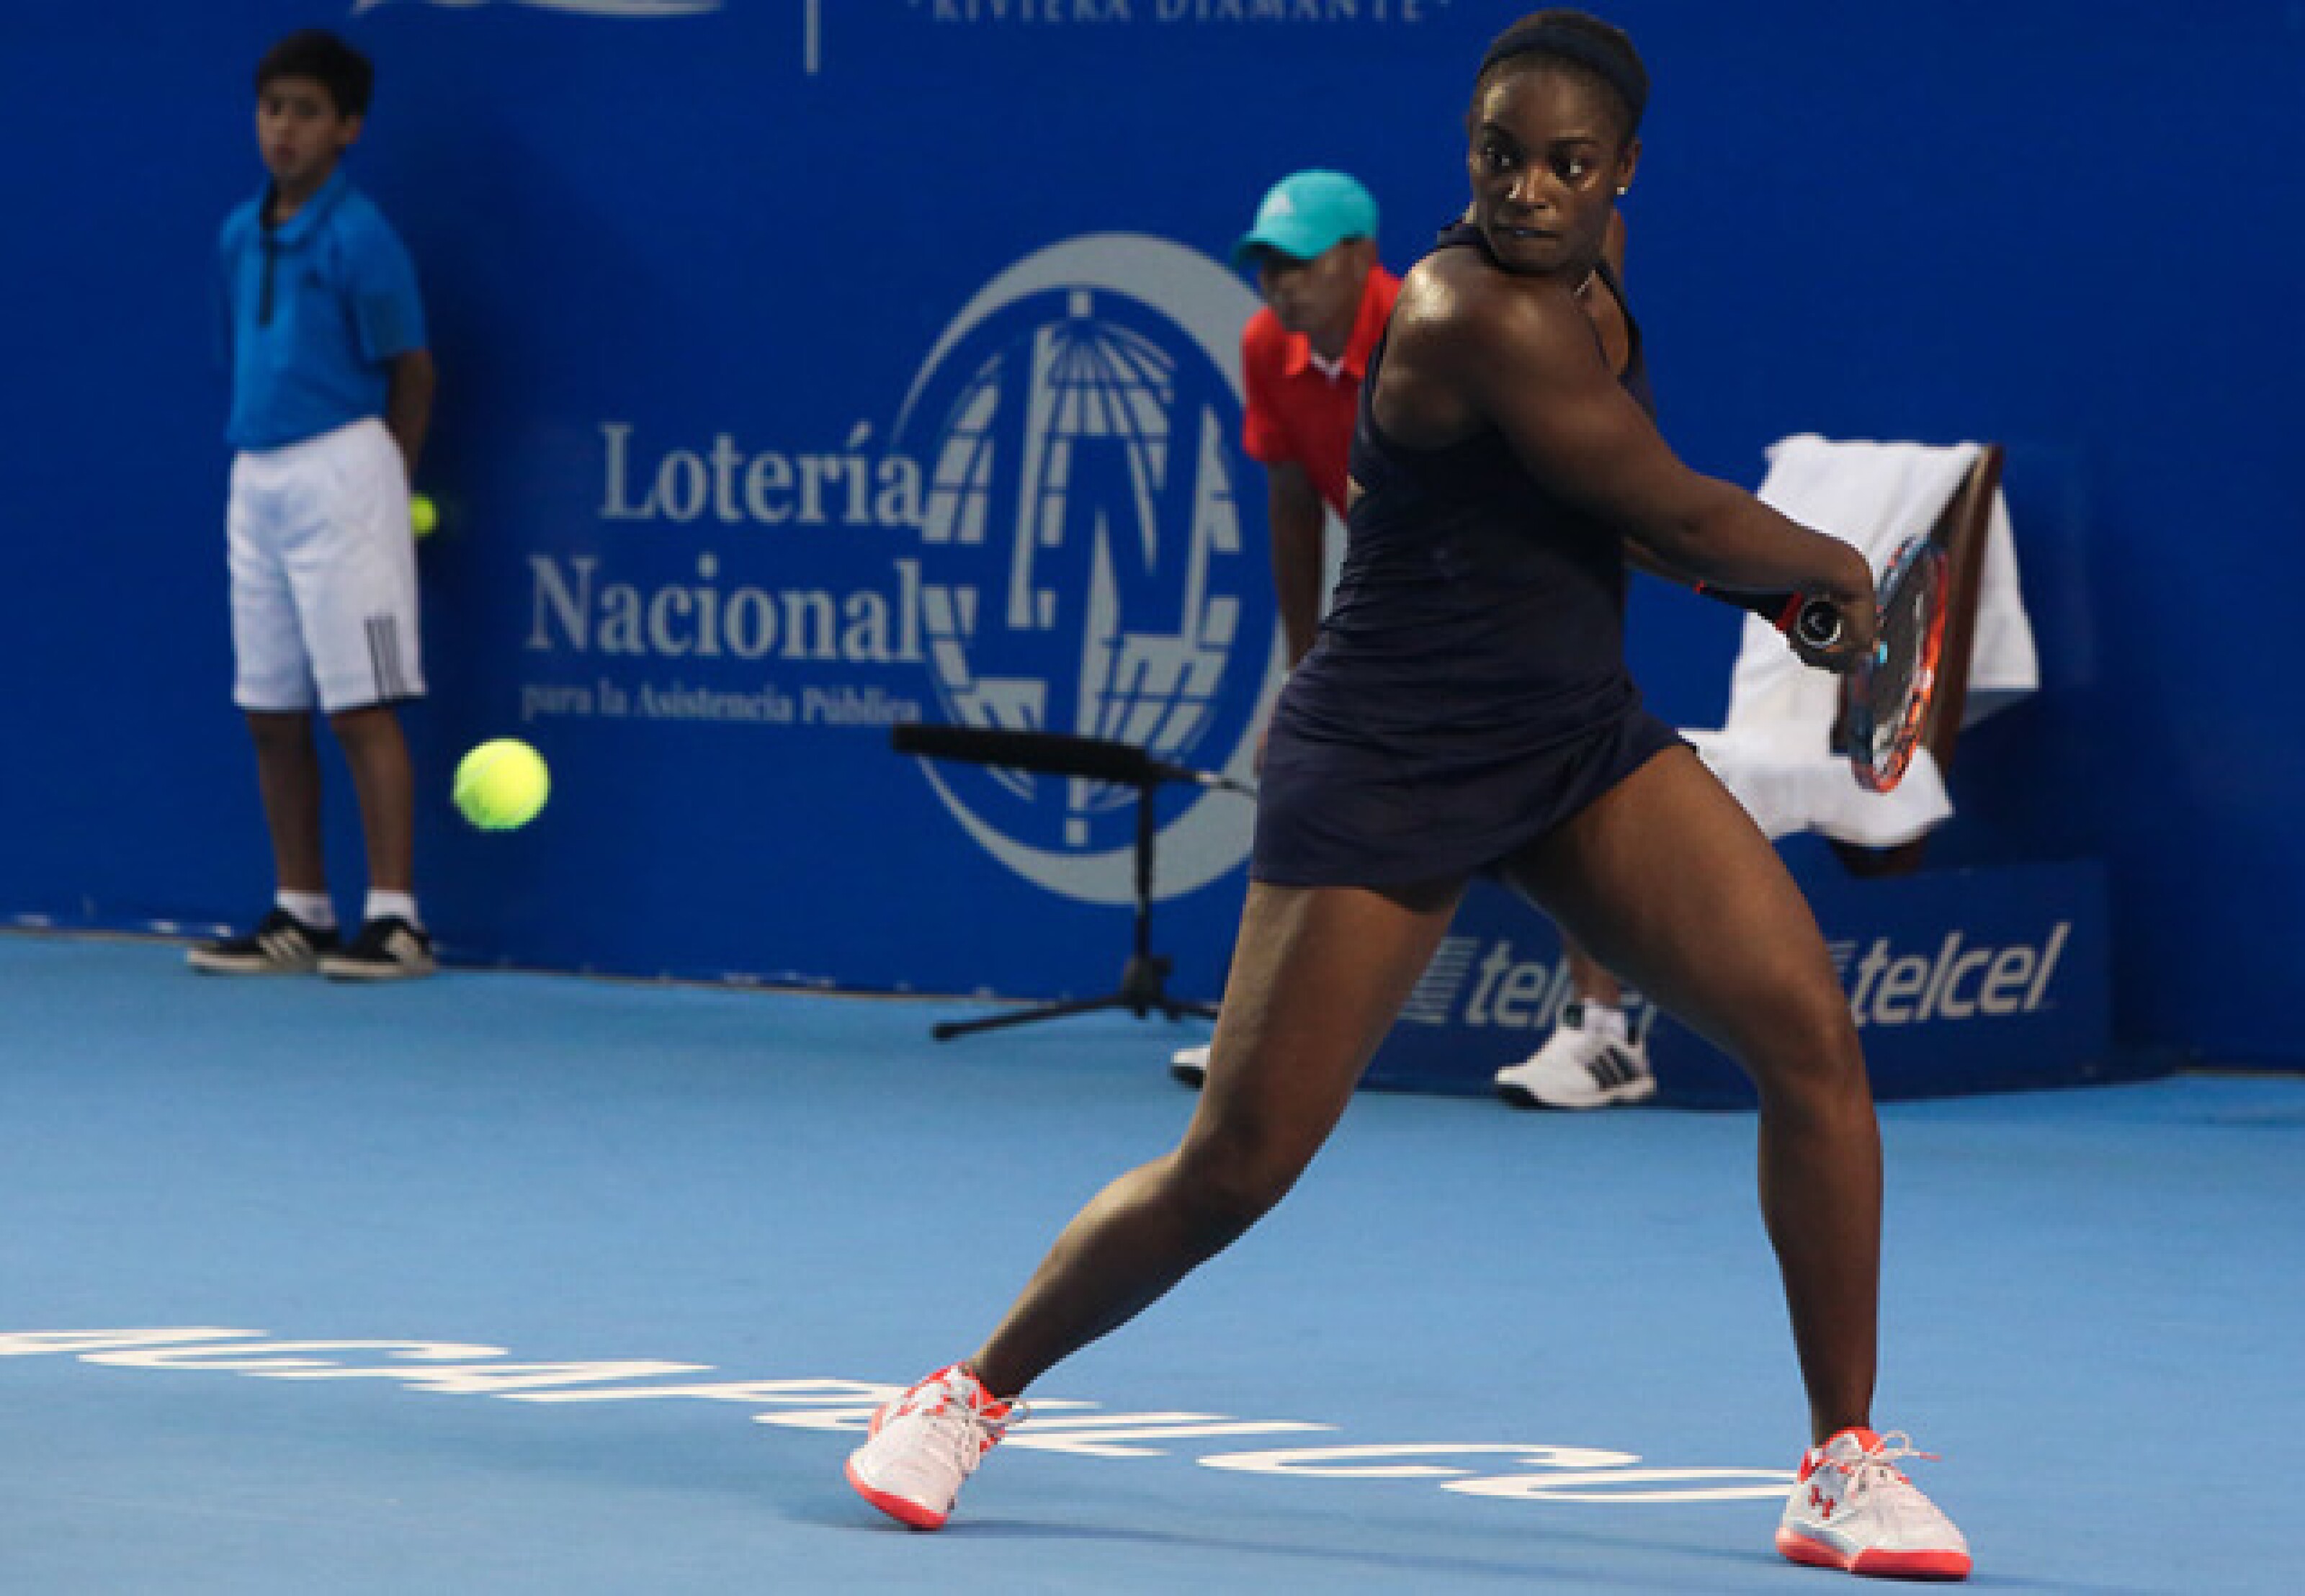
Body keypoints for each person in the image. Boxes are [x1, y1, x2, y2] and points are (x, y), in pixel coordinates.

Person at [847, 10, 1970, 1582]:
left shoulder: (1599, 273)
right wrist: (1833, 576)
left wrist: (1778, 606)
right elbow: (1668, 502)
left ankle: (1839, 1462)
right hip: (1386, 760)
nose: (1528, 190)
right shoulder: (1462, 310)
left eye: (1567, 165)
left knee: (1808, 1037)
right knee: (1235, 1163)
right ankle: (969, 1390)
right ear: (1467, 159)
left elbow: (1611, 510)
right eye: (1500, 156)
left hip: (1573, 742)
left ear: (1623, 171)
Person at [1172, 169, 1654, 1112]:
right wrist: (1301, 667)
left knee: (1562, 785)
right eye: (1267, 266)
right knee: (1302, 760)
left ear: (1358, 258)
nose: (1279, 286)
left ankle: (1604, 1036)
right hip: (1403, 603)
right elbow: (1290, 509)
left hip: (1523, 586)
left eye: (1300, 265)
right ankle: (1260, 1024)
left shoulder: (1433, 326)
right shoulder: (1267, 345)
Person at [187, 30, 439, 982]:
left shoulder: (362, 237)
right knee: (269, 708)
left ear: (348, 129)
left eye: (305, 112)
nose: (283, 129)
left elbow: (413, 374)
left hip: (347, 473)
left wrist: (389, 484)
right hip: (256, 479)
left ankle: (397, 916)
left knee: (360, 707)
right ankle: (301, 908)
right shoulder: (231, 236)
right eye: (272, 109)